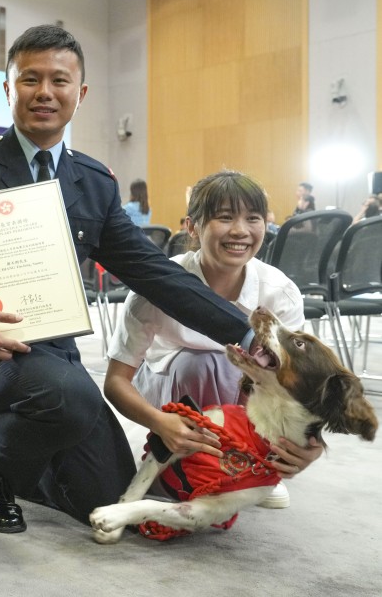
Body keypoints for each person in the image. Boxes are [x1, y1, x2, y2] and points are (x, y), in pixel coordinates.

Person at [0, 24, 267, 533]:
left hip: (54, 356)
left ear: (80, 93)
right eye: (31, 80)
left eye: (59, 81)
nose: (45, 93)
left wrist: (247, 333)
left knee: (106, 496)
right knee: (69, 400)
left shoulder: (92, 184)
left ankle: (15, 434)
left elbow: (156, 274)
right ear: (9, 89)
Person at [104, 170, 320, 509]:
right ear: (192, 227)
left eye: (253, 218)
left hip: (244, 399)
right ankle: (190, 464)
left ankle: (252, 465)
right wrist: (159, 422)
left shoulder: (279, 291)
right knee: (205, 361)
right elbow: (116, 381)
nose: (240, 231)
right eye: (224, 217)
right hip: (172, 392)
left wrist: (311, 446)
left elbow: (304, 382)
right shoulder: (157, 284)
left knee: (268, 375)